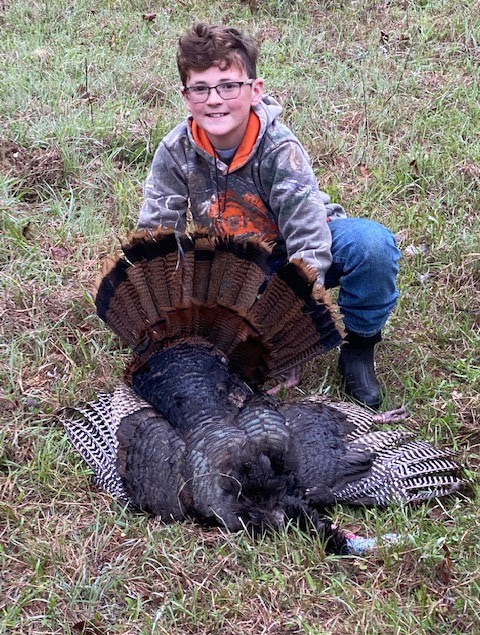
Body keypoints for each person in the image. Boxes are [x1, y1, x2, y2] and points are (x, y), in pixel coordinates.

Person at [137, 23, 401, 409]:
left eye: (229, 86)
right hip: (234, 264)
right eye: (201, 89)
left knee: (372, 246)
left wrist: (296, 319)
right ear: (186, 97)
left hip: (294, 252)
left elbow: (308, 237)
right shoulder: (175, 151)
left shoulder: (280, 148)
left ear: (255, 90)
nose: (215, 99)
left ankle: (359, 347)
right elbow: (158, 234)